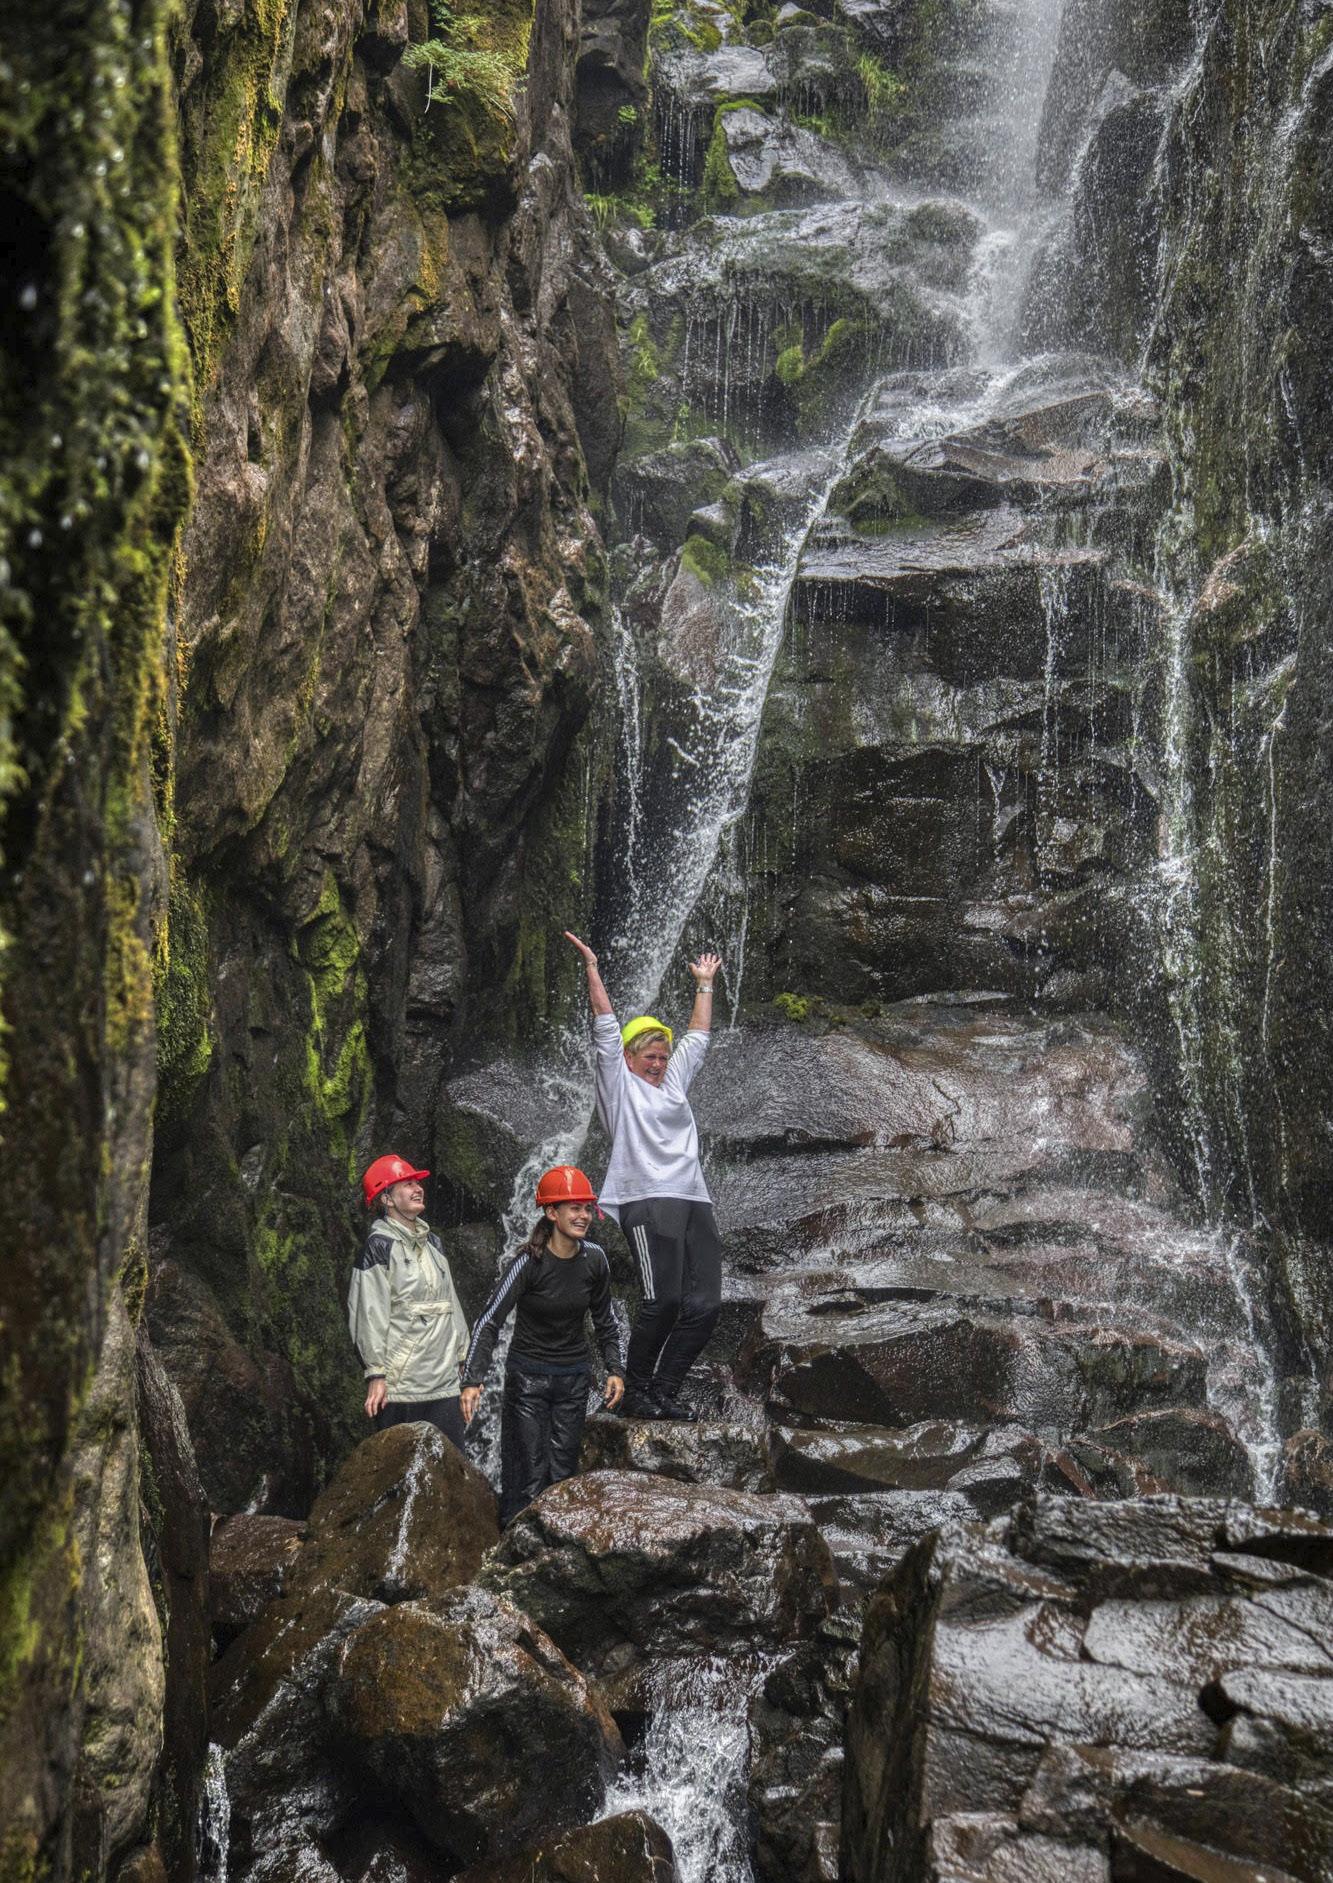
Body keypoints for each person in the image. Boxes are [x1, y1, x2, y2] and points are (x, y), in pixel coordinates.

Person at [564, 930, 722, 1422]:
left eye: (661, 1057)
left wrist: (704, 983)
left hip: (693, 1198)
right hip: (646, 1198)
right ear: (629, 1058)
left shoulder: (673, 1081)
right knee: (662, 1300)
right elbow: (606, 1027)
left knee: (705, 1305)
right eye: (648, 1057)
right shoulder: (620, 1086)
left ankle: (664, 1391)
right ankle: (634, 1392)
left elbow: (697, 1039)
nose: (657, 1064)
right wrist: (592, 969)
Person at [460, 1165, 624, 1525]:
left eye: (587, 1209)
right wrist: (472, 1379)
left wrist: (615, 1369)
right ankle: (516, 1541)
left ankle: (555, 1546)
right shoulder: (528, 1262)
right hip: (528, 1381)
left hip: (573, 1380)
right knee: (529, 1473)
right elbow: (489, 1320)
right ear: (552, 1213)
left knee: (562, 1471)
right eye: (574, 1208)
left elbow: (605, 1321)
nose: (583, 1216)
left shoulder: (595, 1259)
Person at [348, 1154, 470, 1449]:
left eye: (417, 1183)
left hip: (445, 1384)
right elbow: (369, 1315)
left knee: (451, 1467)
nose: (418, 1189)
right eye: (407, 1184)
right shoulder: (378, 1247)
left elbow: (450, 1305)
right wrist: (376, 1374)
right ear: (387, 1199)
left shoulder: (434, 1244)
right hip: (402, 1388)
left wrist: (463, 1359)